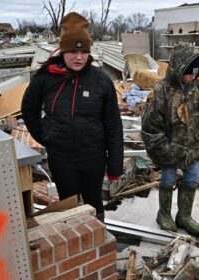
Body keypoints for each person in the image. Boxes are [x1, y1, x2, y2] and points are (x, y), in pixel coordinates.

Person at [21, 12, 124, 222]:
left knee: (93, 202)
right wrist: (46, 135)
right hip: (61, 159)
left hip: (93, 157)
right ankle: (75, 236)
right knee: (69, 203)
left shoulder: (101, 81)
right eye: (73, 51)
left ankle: (97, 235)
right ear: (63, 50)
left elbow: (113, 124)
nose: (79, 57)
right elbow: (29, 109)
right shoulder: (46, 78)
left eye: (84, 51)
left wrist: (115, 166)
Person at [141, 44, 199, 236]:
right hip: (170, 151)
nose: (191, 78)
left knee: (192, 180)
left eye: (195, 73)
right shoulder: (161, 91)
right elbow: (150, 128)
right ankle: (164, 214)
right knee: (168, 180)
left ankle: (184, 216)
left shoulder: (196, 88)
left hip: (193, 149)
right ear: (178, 69)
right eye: (188, 73)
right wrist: (165, 150)